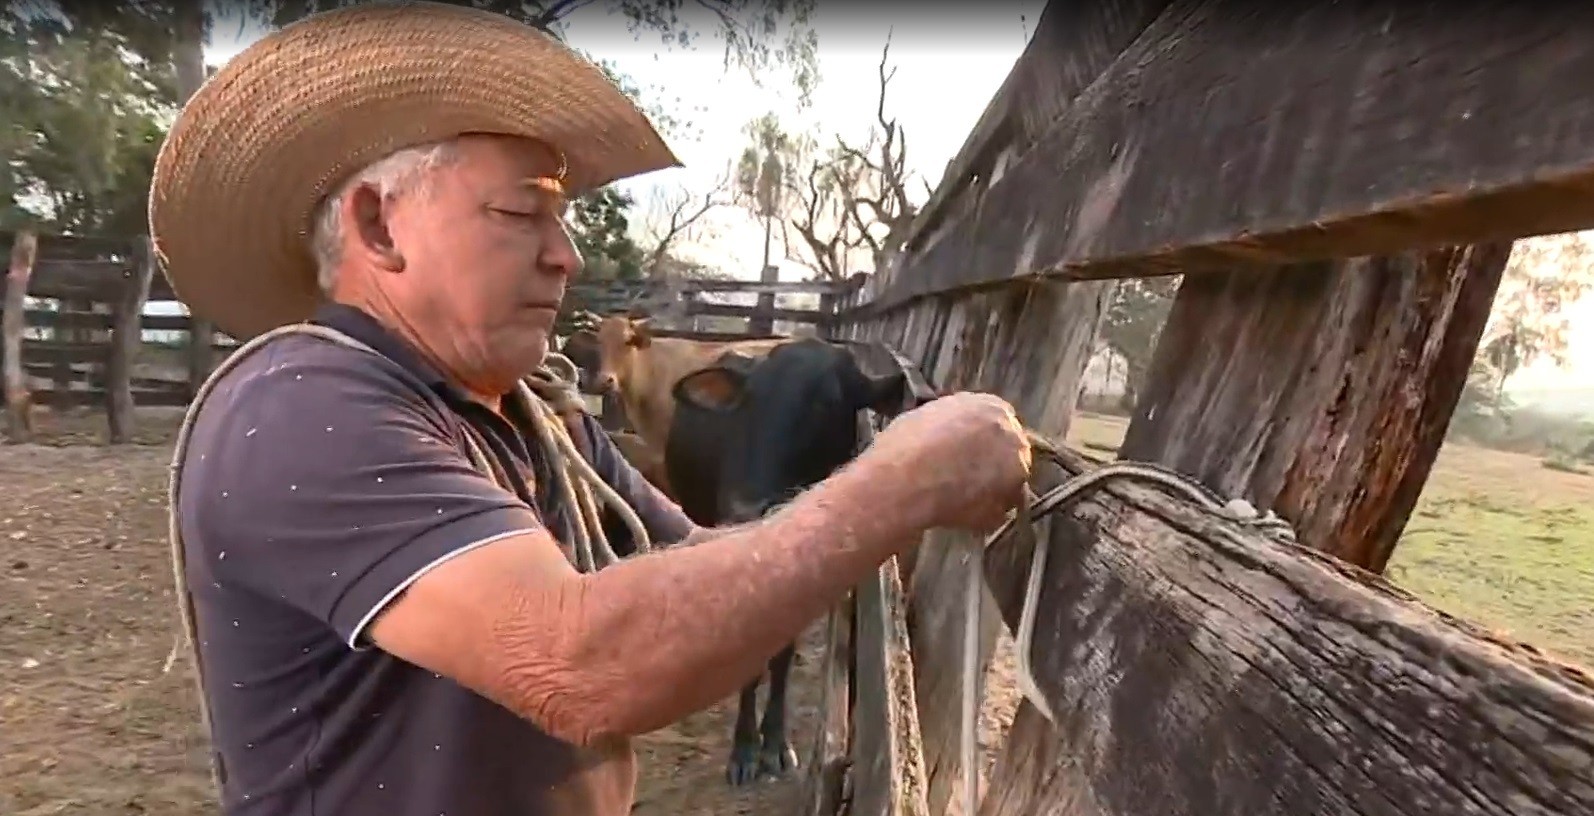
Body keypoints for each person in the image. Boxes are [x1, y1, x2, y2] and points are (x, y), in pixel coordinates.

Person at [150, 4, 1032, 816]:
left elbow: (702, 569)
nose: (566, 256)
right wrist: (900, 487)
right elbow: (581, 663)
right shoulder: (305, 411)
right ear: (379, 227)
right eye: (522, 212)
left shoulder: (534, 417)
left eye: (563, 219)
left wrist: (867, 512)